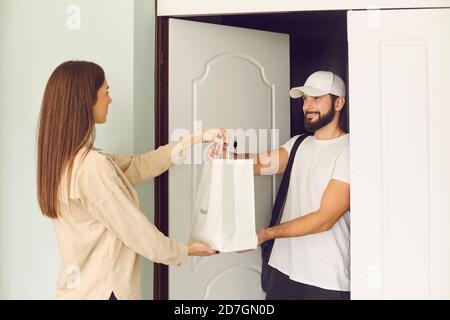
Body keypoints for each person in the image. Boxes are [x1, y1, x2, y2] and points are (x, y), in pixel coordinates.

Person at [36, 60, 225, 300]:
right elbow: (137, 232)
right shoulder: (92, 166)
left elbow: (138, 166)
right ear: (86, 100)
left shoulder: (62, 161)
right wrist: (184, 251)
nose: (110, 99)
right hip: (104, 292)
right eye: (106, 92)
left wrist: (196, 139)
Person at [231, 71, 350, 300]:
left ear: (339, 102)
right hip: (283, 269)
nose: (307, 105)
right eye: (305, 98)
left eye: (316, 98)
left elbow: (324, 219)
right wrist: (224, 158)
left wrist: (266, 234)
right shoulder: (298, 145)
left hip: (325, 277)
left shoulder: (348, 151)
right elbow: (256, 165)